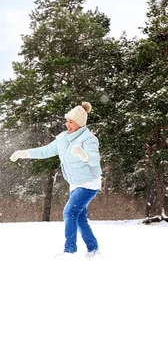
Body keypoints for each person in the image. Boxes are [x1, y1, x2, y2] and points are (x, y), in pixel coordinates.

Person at [10, 101, 102, 258]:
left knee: (70, 212)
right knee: (79, 217)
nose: (67, 124)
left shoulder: (89, 139)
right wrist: (25, 153)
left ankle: (70, 250)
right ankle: (93, 249)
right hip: (75, 184)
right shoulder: (63, 139)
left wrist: (84, 155)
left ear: (79, 123)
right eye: (67, 121)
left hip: (89, 183)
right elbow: (46, 151)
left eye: (71, 122)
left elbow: (94, 159)